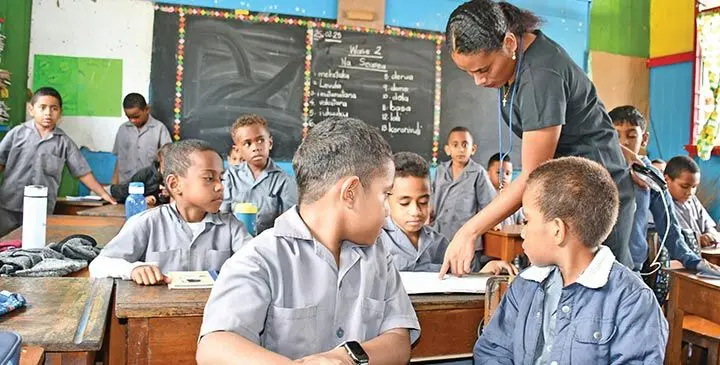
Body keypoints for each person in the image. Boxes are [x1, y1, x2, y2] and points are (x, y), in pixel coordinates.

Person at [196, 117, 420, 364]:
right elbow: (214, 346)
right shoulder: (261, 257)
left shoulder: (377, 257)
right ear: (351, 193)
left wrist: (345, 358)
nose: (388, 212)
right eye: (385, 194)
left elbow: (399, 340)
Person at [441, 0, 636, 274]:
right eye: (469, 72)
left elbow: (534, 175)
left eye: (483, 69)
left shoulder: (540, 77)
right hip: (571, 189)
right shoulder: (517, 60)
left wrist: (470, 231)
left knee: (598, 292)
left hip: (596, 196)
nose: (479, 81)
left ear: (509, 43)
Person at [474, 157, 667, 364]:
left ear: (557, 230)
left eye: (528, 220)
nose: (523, 231)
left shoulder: (633, 301)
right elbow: (493, 351)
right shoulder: (525, 284)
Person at [90, 140, 251, 285]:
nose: (220, 187)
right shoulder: (148, 223)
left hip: (211, 313)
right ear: (174, 184)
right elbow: (99, 265)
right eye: (209, 178)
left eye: (221, 179)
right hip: (160, 315)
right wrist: (133, 269)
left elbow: (257, 262)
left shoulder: (231, 227)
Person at [0, 87, 116, 237]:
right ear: (31, 109)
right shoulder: (17, 134)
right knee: (4, 244)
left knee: (34, 245)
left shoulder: (64, 142)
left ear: (60, 113)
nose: (48, 113)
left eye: (53, 108)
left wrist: (104, 194)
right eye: (42, 108)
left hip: (41, 209)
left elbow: (82, 171)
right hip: (9, 205)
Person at [381, 151, 517, 274]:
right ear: (386, 199)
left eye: (423, 202)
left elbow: (463, 275)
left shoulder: (440, 243)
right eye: (405, 203)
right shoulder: (376, 242)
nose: (415, 211)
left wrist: (485, 271)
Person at [610, 105, 704, 271]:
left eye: (631, 136)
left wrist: (692, 260)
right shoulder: (598, 169)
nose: (624, 142)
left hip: (632, 267)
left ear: (644, 138)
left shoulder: (650, 176)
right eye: (615, 136)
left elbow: (668, 225)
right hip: (596, 264)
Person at [220, 114, 297, 234]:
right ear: (237, 149)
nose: (256, 147)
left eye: (261, 140)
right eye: (247, 143)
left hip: (267, 246)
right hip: (233, 244)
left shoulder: (284, 181)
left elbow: (288, 224)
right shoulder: (230, 176)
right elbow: (222, 217)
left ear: (270, 143)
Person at [431, 127, 495, 248]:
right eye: (455, 145)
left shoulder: (477, 173)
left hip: (466, 240)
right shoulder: (440, 171)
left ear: (473, 149)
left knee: (465, 267)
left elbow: (489, 205)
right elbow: (431, 200)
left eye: (465, 145)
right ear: (447, 149)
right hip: (439, 238)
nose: (461, 149)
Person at [112, 93, 172, 185]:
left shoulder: (159, 129)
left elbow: (166, 160)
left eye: (136, 117)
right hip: (125, 186)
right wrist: (114, 186)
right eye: (129, 117)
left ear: (147, 109)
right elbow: (119, 161)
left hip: (150, 186)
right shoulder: (122, 130)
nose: (132, 121)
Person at [665, 155, 720, 247]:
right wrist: (697, 239)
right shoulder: (660, 204)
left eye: (694, 187)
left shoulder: (692, 200)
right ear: (667, 180)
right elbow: (667, 240)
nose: (690, 192)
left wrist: (710, 235)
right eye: (684, 186)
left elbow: (709, 226)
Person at [487, 153, 524, 226]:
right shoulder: (484, 199)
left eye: (507, 173)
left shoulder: (514, 198)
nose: (503, 176)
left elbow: (521, 221)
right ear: (488, 174)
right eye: (498, 172)